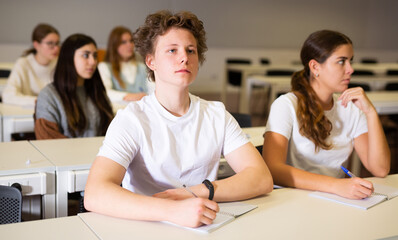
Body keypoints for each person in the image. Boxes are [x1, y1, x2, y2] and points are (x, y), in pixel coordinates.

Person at [84, 10, 273, 228]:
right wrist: (173, 210)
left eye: (190, 50)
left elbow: (261, 177)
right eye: (172, 50)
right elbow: (95, 193)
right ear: (151, 61)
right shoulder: (132, 119)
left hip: (204, 225)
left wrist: (194, 193)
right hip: (144, 226)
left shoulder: (216, 114)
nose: (184, 57)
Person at [262, 30, 390, 200]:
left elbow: (380, 169)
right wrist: (335, 185)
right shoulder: (286, 105)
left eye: (350, 61)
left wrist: (371, 113)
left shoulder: (351, 108)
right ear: (315, 67)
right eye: (341, 61)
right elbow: (272, 168)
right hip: (292, 198)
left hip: (335, 197)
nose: (350, 69)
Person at [34, 34, 114, 139]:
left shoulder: (97, 91)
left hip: (99, 154)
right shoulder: (48, 95)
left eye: (94, 56)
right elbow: (48, 139)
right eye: (85, 55)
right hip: (63, 155)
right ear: (69, 58)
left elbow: (112, 131)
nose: (93, 62)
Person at [3, 23, 60, 108]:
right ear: (36, 45)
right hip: (28, 113)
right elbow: (8, 96)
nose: (56, 48)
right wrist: (40, 101)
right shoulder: (23, 63)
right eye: (50, 43)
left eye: (57, 43)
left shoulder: (59, 63)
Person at [98, 26, 150, 103]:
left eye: (131, 41)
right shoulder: (104, 67)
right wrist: (129, 96)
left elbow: (154, 90)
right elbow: (105, 92)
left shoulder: (142, 67)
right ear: (114, 46)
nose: (129, 45)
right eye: (124, 42)